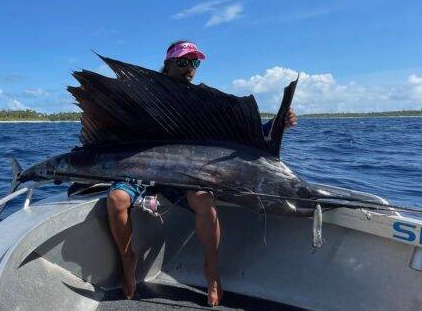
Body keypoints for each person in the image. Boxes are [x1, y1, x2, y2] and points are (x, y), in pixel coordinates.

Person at [106, 40, 297, 306]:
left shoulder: (201, 102)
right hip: (141, 168)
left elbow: (231, 135)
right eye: (183, 62)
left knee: (206, 202)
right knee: (117, 199)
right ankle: (128, 260)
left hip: (185, 174)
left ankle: (212, 270)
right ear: (169, 63)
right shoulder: (147, 95)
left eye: (195, 63)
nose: (190, 68)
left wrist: (276, 124)